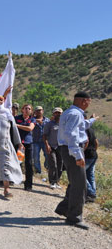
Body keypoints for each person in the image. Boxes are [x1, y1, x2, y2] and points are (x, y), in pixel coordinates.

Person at [55, 91, 97, 230]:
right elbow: (71, 135)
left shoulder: (71, 112)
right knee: (80, 186)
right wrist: (78, 156)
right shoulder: (75, 114)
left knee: (75, 182)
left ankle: (63, 208)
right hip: (72, 150)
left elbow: (80, 127)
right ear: (83, 101)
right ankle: (74, 217)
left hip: (69, 150)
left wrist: (91, 121)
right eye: (88, 101)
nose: (89, 104)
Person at [15, 104, 35, 191]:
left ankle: (28, 184)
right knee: (16, 162)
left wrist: (17, 125)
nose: (27, 110)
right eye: (26, 108)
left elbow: (30, 128)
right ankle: (12, 180)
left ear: (31, 111)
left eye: (29, 109)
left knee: (29, 164)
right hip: (18, 143)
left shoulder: (32, 119)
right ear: (22, 110)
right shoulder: (16, 118)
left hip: (28, 144)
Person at [43, 107, 64, 189]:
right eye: (56, 113)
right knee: (53, 164)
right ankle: (52, 181)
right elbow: (44, 135)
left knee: (60, 165)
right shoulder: (49, 124)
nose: (58, 114)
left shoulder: (64, 124)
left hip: (61, 147)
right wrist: (47, 145)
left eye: (59, 113)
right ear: (53, 114)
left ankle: (57, 181)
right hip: (52, 146)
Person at [32, 106, 49, 174]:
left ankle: (47, 167)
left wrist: (42, 122)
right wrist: (35, 121)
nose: (39, 112)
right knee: (36, 157)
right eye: (37, 110)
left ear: (43, 111)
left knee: (47, 156)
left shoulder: (47, 120)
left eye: (40, 110)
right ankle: (38, 171)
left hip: (45, 141)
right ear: (35, 112)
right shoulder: (32, 119)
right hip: (35, 141)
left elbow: (49, 128)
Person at [84, 126, 98, 203]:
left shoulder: (83, 129)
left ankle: (91, 193)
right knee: (90, 176)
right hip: (93, 155)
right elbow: (96, 143)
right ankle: (92, 195)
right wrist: (94, 151)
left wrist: (82, 152)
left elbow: (86, 142)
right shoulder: (91, 130)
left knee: (81, 174)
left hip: (87, 156)